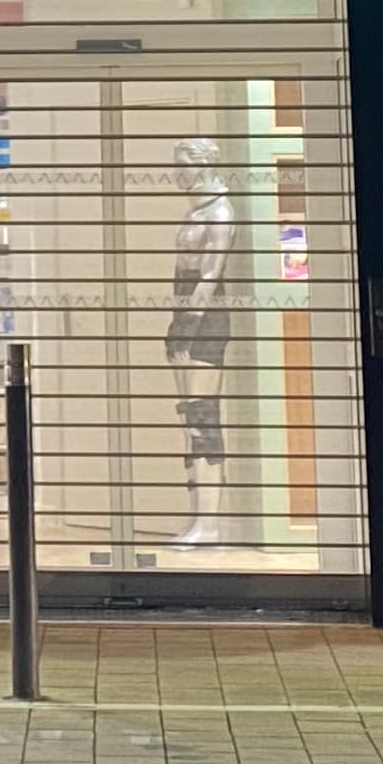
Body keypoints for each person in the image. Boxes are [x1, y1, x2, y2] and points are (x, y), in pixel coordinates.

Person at [164, 136, 235, 545]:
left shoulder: (219, 211)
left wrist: (189, 323)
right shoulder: (195, 210)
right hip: (184, 312)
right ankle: (198, 518)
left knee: (202, 417)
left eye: (183, 164)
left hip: (204, 318)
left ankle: (209, 523)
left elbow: (210, 274)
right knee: (188, 420)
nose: (178, 172)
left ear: (203, 163)